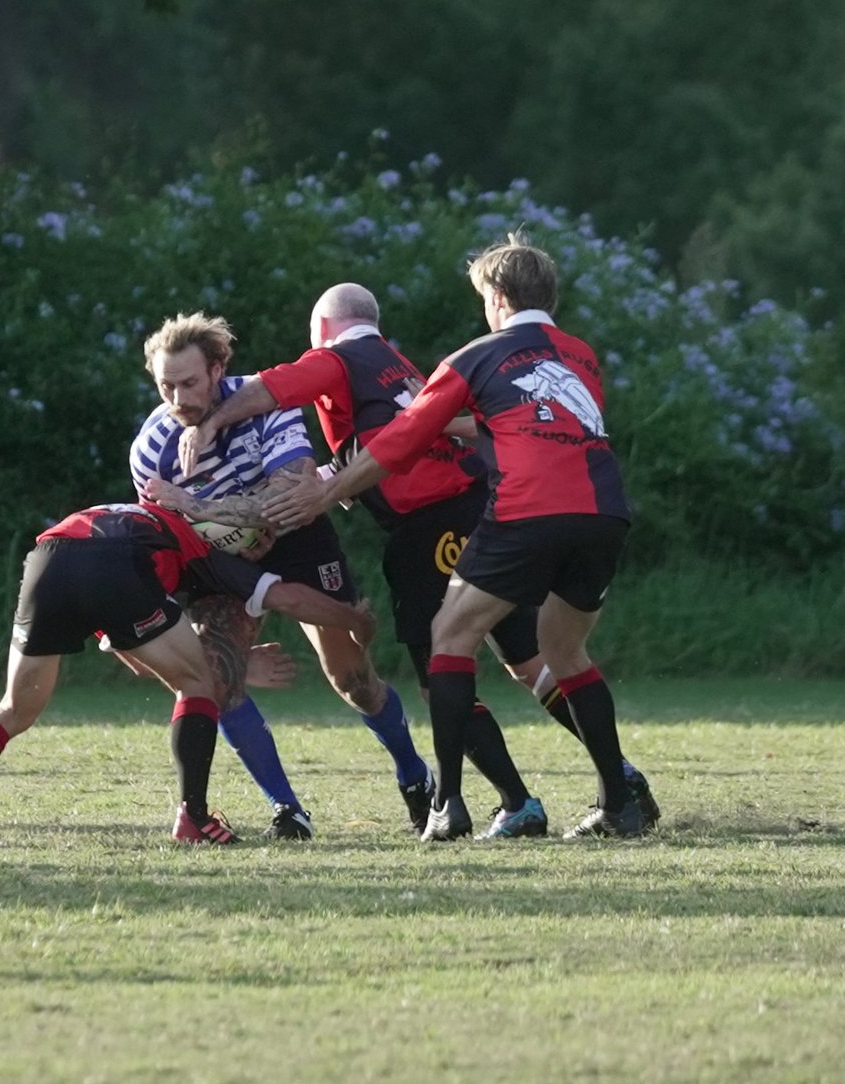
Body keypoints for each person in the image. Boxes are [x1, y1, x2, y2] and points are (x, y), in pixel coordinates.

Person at [177, 282, 658, 838]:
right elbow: (405, 437)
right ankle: (620, 776)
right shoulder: (397, 365)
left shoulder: (338, 358)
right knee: (528, 659)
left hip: (430, 528)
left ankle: (514, 803)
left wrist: (210, 421)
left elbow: (272, 387)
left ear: (323, 329)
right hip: (484, 507)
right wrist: (334, 477)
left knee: (442, 669)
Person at [299, 237, 649, 838]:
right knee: (564, 655)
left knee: (449, 640)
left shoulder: (475, 356)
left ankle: (450, 805)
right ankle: (619, 803)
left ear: (499, 297)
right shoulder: (581, 356)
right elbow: (520, 420)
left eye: (485, 297)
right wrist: (450, 425)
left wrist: (327, 493)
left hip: (526, 512)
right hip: (604, 514)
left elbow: (400, 441)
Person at [0, 501, 378, 846]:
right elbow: (286, 597)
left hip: (48, 559)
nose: (256, 546)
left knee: (14, 708)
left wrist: (236, 663)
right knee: (198, 685)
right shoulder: (195, 544)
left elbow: (132, 650)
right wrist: (354, 619)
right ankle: (194, 818)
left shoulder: (134, 516)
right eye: (252, 537)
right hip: (116, 564)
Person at [128, 312, 431, 838]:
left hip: (298, 541)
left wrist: (199, 506)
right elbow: (172, 536)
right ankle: (288, 812)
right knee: (216, 679)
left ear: (218, 368)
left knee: (351, 678)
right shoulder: (151, 449)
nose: (178, 399)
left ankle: (415, 775)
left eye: (190, 383)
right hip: (219, 560)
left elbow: (290, 497)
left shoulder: (269, 404)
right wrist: (220, 529)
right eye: (166, 386)